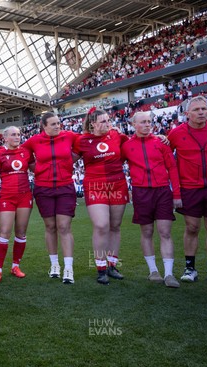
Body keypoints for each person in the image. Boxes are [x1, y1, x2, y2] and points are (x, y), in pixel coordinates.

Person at [168, 96, 207, 283]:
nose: (201, 112)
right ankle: (190, 269)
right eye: (196, 110)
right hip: (189, 188)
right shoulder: (176, 133)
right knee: (192, 228)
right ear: (187, 114)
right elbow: (165, 156)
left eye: (204, 108)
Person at [122, 112, 182, 288]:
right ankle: (153, 271)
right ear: (134, 125)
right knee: (147, 232)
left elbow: (172, 168)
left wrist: (177, 195)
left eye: (149, 121)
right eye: (143, 122)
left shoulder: (161, 143)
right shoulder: (127, 146)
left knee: (165, 232)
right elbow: (114, 164)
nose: (148, 125)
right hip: (141, 193)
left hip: (163, 191)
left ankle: (169, 274)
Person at [73, 108, 128, 285]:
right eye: (103, 121)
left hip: (118, 184)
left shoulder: (117, 136)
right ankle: (101, 268)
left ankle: (112, 265)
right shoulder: (82, 140)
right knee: (101, 225)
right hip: (95, 185)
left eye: (108, 120)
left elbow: (136, 145)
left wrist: (160, 137)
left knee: (115, 226)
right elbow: (67, 159)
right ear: (93, 124)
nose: (107, 124)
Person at [22, 112, 78, 284]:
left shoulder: (69, 136)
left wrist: (69, 161)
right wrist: (36, 168)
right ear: (44, 126)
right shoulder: (34, 140)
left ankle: (68, 267)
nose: (57, 126)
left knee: (64, 226)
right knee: (50, 226)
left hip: (65, 186)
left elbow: (83, 146)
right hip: (43, 188)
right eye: (53, 124)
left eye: (58, 123)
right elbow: (23, 151)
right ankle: (54, 264)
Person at [0, 126, 34, 284]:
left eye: (19, 134)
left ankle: (15, 266)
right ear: (5, 138)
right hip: (7, 196)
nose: (17, 137)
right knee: (4, 232)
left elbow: (37, 169)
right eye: (13, 134)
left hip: (25, 196)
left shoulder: (26, 151)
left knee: (21, 232)